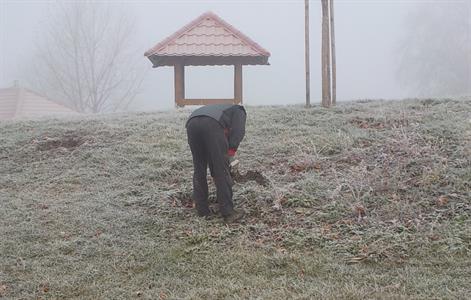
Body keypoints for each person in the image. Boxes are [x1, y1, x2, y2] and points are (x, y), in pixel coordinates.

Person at [186, 104, 246, 223]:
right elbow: (238, 130)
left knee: (199, 168)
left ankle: (202, 210)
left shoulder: (220, 109)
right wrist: (230, 151)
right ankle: (228, 213)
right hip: (212, 124)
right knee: (221, 169)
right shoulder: (240, 110)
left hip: (191, 123)